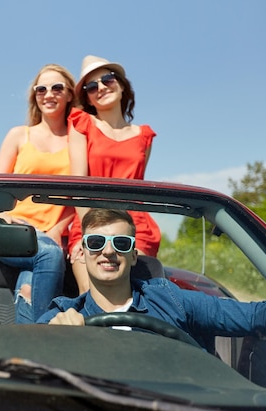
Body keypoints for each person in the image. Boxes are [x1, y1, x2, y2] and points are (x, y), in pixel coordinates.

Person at [37, 209, 266, 359]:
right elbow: (18, 356)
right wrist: (53, 338)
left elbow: (262, 314)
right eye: (95, 243)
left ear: (134, 255)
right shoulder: (64, 316)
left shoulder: (171, 300)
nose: (108, 252)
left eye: (121, 243)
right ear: (81, 253)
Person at [67, 55, 161, 294]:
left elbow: (136, 185)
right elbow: (78, 185)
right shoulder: (81, 123)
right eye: (91, 86)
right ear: (87, 97)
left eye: (107, 79)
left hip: (136, 227)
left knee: (142, 300)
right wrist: (89, 234)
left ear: (121, 84)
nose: (100, 88)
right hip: (91, 222)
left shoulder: (144, 136)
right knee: (92, 297)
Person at [0, 64, 76, 323]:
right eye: (41, 89)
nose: (48, 94)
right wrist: (1, 215)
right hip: (11, 230)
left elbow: (79, 197)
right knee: (48, 254)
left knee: (32, 278)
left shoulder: (78, 140)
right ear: (34, 95)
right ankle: (42, 337)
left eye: (57, 88)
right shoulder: (19, 135)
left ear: (70, 94)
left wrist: (58, 229)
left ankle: (26, 350)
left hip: (51, 235)